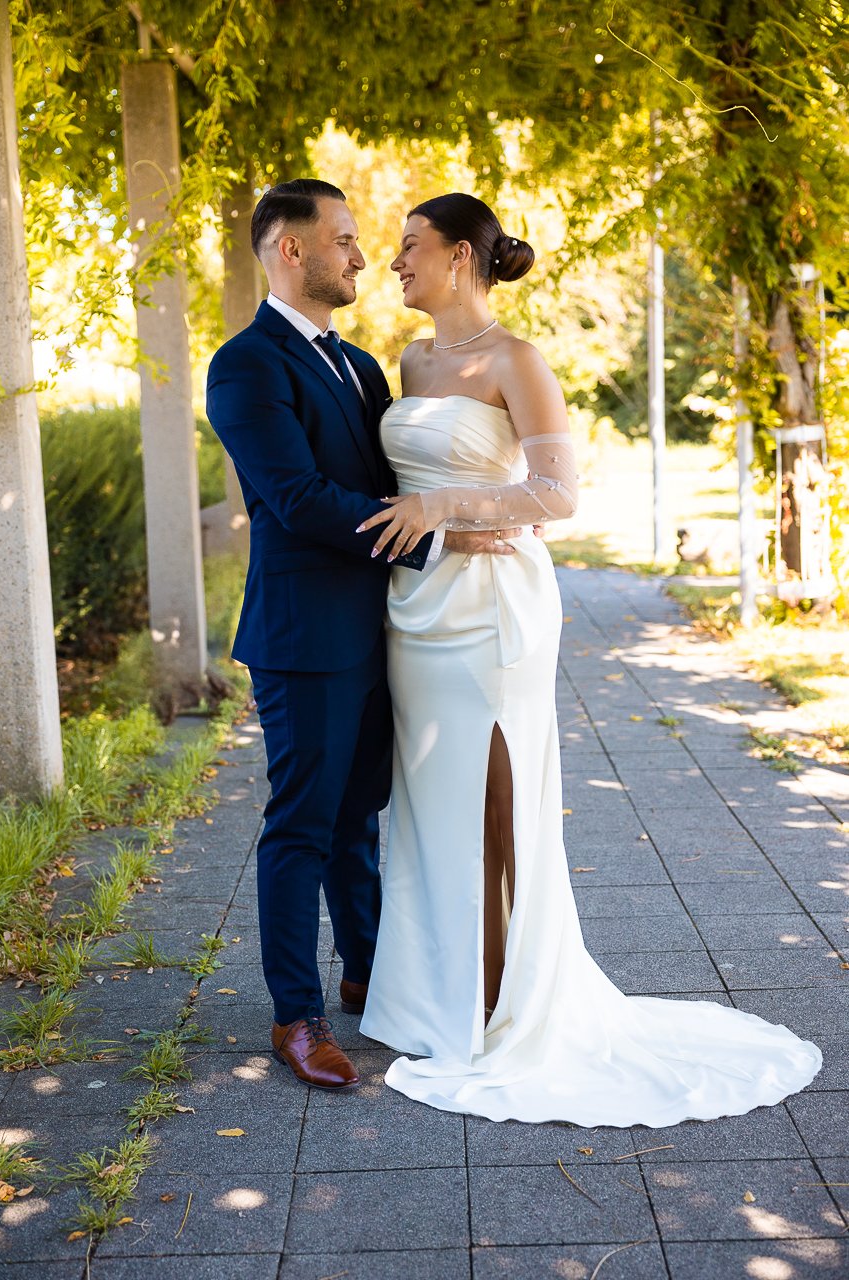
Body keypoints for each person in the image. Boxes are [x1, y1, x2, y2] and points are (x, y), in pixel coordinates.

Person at [356, 192, 822, 1124]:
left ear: (459, 258)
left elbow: (557, 493)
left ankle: (498, 1008)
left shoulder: (516, 359)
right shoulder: (408, 359)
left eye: (410, 246)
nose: (395, 262)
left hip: (494, 611)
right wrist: (430, 527)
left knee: (494, 799)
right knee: (424, 799)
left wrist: (451, 509)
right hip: (417, 603)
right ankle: (435, 997)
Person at [206, 179, 514, 1092]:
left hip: (382, 625)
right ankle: (294, 1017)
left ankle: (368, 975)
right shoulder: (246, 365)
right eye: (341, 240)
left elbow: (394, 475)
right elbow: (297, 500)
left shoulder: (360, 366)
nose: (360, 255)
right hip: (303, 636)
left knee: (357, 819)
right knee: (299, 825)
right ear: (289, 251)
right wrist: (442, 534)